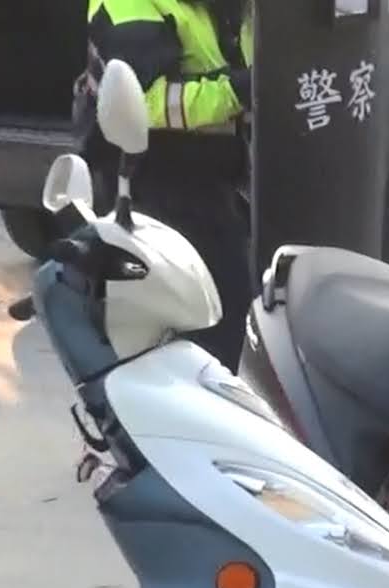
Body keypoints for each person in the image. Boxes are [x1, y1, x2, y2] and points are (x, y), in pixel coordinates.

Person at [80, 0, 253, 368]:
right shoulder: (130, 5)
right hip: (159, 186)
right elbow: (149, 102)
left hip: (212, 182)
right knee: (218, 322)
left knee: (235, 313)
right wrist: (239, 90)